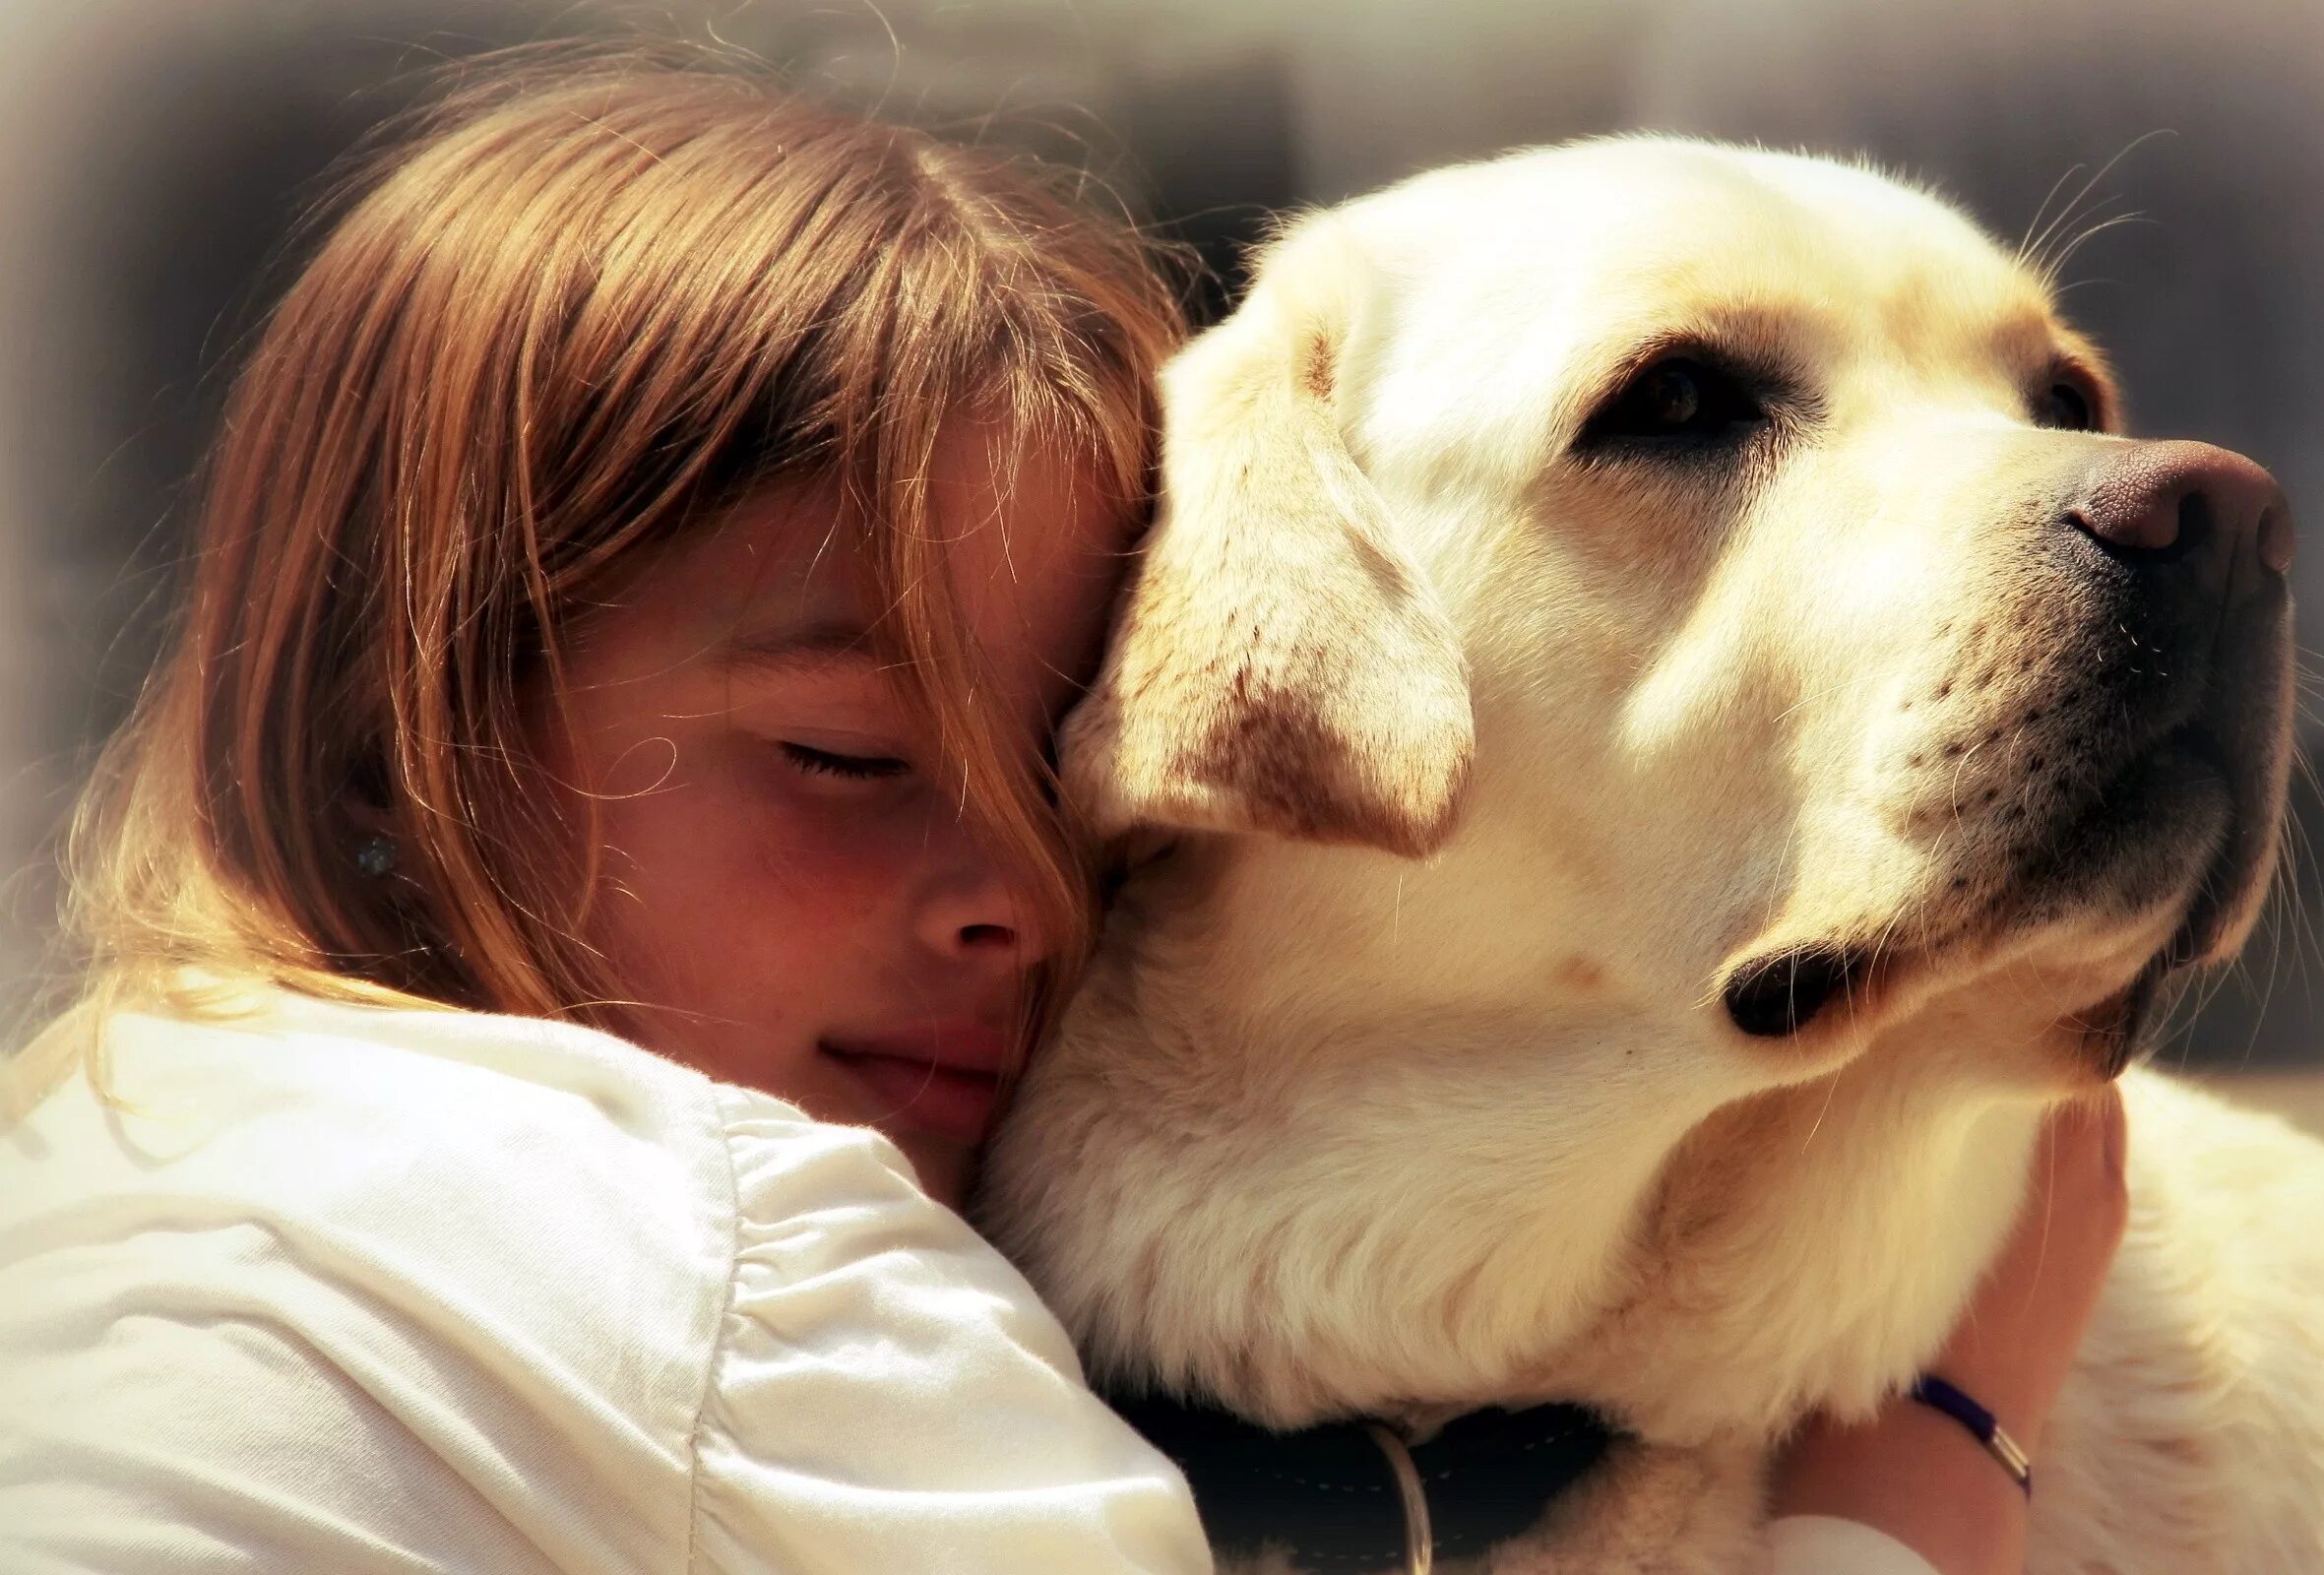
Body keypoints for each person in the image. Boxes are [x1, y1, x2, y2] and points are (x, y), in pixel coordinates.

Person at [0, 51, 2127, 1575]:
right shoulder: (737, 1259)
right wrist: (1937, 1456)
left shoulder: (119, 1140)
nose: (1024, 898)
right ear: (400, 753)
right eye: (843, 758)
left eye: (1075, 781)